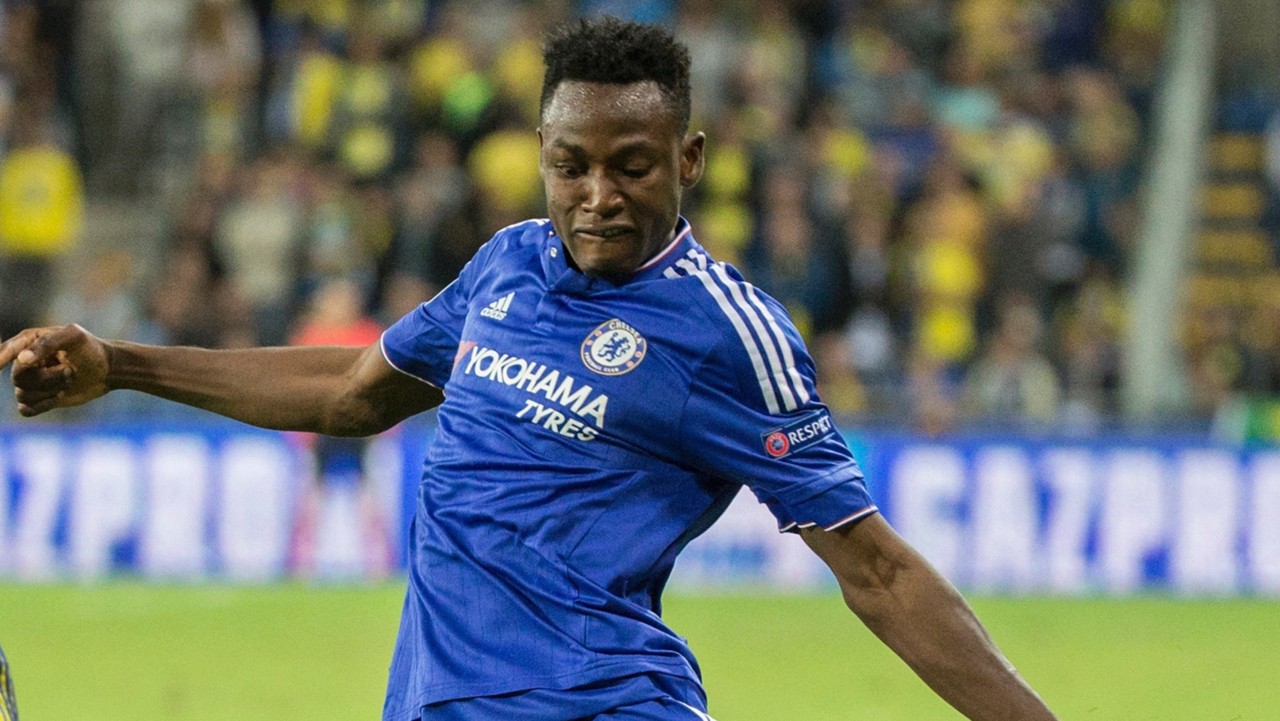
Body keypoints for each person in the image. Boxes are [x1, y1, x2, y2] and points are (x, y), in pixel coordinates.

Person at [0, 17, 1058, 721]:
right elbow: (350, 392)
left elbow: (877, 569)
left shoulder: (728, 333)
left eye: (631, 166)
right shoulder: (505, 265)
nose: (597, 195)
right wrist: (123, 363)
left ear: (688, 159)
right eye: (570, 165)